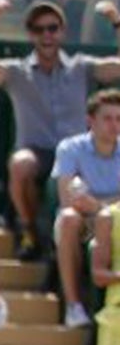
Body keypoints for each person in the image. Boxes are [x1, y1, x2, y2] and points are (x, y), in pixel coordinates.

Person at [0, 0, 120, 260]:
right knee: (20, 164)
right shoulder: (16, 72)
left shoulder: (81, 67)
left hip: (76, 158)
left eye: (52, 28)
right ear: (30, 34)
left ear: (62, 31)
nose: (46, 35)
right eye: (39, 29)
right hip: (38, 153)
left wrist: (116, 21)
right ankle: (29, 231)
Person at [53, 88, 120, 327]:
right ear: (90, 120)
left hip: (114, 222)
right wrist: (109, 203)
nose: (114, 125)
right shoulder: (70, 148)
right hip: (84, 221)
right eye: (108, 118)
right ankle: (74, 306)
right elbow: (67, 198)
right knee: (68, 219)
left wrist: (99, 204)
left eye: (119, 119)